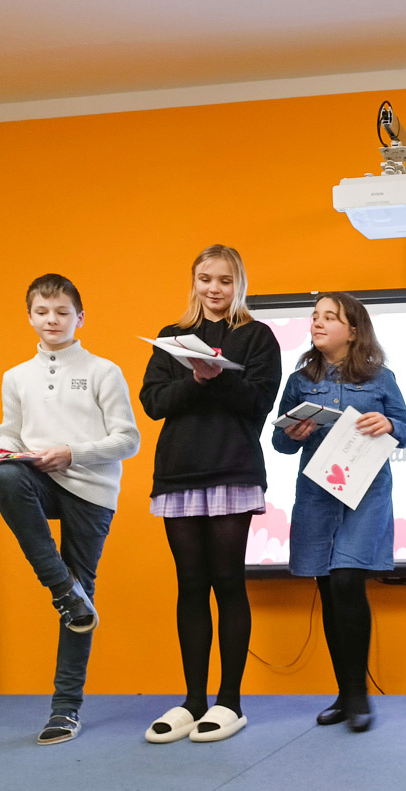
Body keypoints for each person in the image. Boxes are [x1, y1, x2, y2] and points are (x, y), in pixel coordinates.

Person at [0, 274, 140, 744]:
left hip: (91, 487)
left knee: (83, 595)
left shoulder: (104, 370)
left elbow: (128, 440)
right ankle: (62, 589)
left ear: (79, 318)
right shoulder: (15, 377)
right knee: (5, 476)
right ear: (29, 317)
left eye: (62, 312)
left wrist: (71, 453)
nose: (52, 319)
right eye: (42, 312)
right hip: (39, 480)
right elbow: (11, 434)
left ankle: (65, 710)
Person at [140, 244, 281, 743]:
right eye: (206, 279)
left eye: (225, 280)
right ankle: (194, 701)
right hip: (178, 472)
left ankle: (230, 702)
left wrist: (215, 377)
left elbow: (259, 402)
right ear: (194, 282)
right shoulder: (170, 337)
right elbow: (153, 402)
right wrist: (198, 381)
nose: (214, 288)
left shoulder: (256, 336)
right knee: (190, 584)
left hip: (232, 469)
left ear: (239, 283)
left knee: (228, 582)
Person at [272, 292, 406, 732]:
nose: (317, 323)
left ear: (353, 331)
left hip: (366, 493)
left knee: (347, 581)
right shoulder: (299, 380)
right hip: (318, 495)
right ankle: (344, 692)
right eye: (315, 316)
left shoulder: (381, 378)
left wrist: (390, 424)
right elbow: (279, 442)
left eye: (329, 317)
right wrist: (293, 434)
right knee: (328, 587)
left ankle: (358, 695)